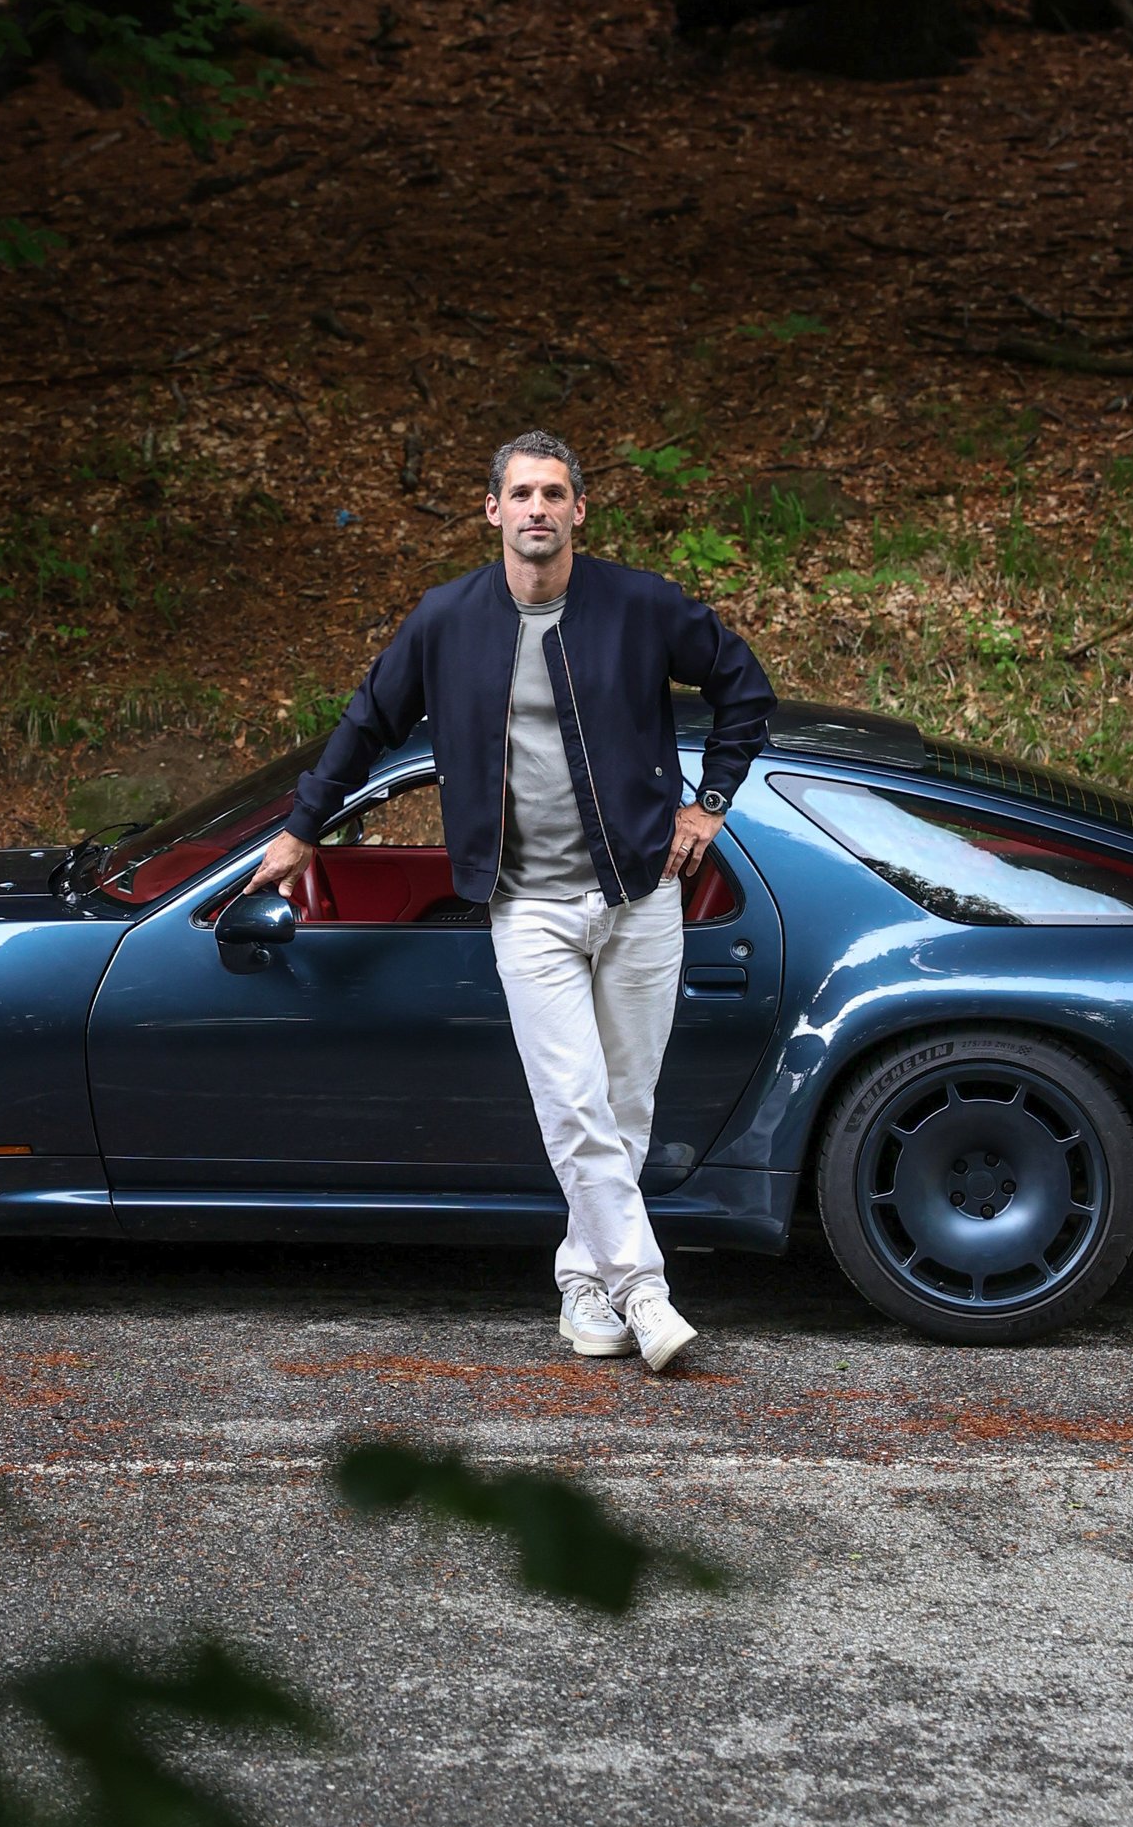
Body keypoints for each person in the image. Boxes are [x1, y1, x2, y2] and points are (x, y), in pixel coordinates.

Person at [247, 436, 775, 1372]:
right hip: (526, 906)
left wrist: (711, 805)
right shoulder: (446, 621)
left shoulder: (641, 605)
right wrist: (301, 829)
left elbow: (745, 689)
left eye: (555, 493)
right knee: (573, 1106)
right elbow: (367, 722)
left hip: (641, 896)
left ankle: (585, 1287)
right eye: (521, 493)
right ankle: (646, 1291)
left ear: (580, 511)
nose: (538, 507)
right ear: (492, 511)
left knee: (625, 1108)